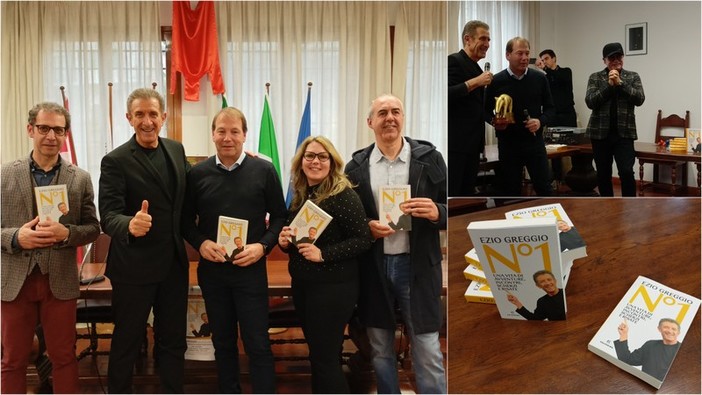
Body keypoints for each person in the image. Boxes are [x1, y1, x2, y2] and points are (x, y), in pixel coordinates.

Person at [345, 94, 447, 394]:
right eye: (382, 113)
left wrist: (437, 211)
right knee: (379, 348)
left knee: (427, 347)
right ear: (370, 122)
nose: (390, 118)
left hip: (416, 266)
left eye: (396, 112)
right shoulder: (355, 167)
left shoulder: (430, 159)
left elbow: (450, 204)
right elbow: (348, 220)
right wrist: (365, 228)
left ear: (403, 118)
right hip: (373, 269)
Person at [182, 106, 287, 393]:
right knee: (223, 343)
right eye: (221, 131)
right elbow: (184, 221)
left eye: (234, 132)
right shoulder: (197, 173)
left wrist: (262, 246)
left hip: (250, 272)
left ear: (245, 135)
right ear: (213, 134)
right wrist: (201, 243)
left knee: (257, 343)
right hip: (213, 273)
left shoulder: (263, 170)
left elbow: (280, 217)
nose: (227, 137)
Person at [1, 102, 100, 394]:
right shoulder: (4, 174)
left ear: (65, 134)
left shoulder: (79, 178)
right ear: (31, 129)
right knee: (12, 360)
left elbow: (93, 228)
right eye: (44, 128)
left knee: (64, 357)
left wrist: (66, 233)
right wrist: (16, 237)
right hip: (14, 281)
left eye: (59, 130)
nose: (51, 136)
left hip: (59, 282)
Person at [99, 88, 191, 393]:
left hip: (173, 266)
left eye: (153, 113)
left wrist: (243, 160)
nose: (147, 121)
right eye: (140, 114)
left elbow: (195, 186)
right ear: (129, 118)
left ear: (163, 117)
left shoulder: (176, 150)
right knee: (128, 340)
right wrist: (130, 224)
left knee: (173, 340)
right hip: (133, 269)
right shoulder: (115, 160)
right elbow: (108, 215)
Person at [278, 136, 372, 393]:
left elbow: (363, 240)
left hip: (333, 289)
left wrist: (324, 254)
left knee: (325, 358)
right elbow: (295, 239)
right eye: (310, 156)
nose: (315, 161)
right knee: (320, 356)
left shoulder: (343, 194)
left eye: (322, 156)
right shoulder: (300, 194)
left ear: (332, 162)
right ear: (301, 161)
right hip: (305, 286)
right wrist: (285, 241)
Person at [484, 37, 555, 196]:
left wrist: (540, 121)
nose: (524, 58)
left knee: (545, 188)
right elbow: (484, 110)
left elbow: (551, 109)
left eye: (527, 53)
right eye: (519, 53)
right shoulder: (496, 81)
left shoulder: (540, 78)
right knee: (511, 190)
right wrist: (494, 121)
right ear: (507, 55)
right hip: (508, 144)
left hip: (534, 142)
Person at [585, 42, 645, 197]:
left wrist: (620, 84)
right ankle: (607, 207)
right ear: (604, 60)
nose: (616, 60)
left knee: (626, 171)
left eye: (619, 56)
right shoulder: (595, 77)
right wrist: (609, 85)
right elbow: (590, 102)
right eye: (611, 58)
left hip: (624, 134)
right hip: (599, 134)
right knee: (603, 173)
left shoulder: (632, 76)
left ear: (623, 57)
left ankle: (629, 206)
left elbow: (639, 99)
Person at [448, 20, 493, 196]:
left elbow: (476, 107)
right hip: (456, 145)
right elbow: (446, 94)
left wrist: (493, 121)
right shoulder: (454, 61)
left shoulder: (476, 67)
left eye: (489, 40)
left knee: (467, 194)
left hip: (473, 145)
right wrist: (476, 82)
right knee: (455, 193)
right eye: (483, 39)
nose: (487, 45)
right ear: (468, 39)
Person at [614, 318, 681, 381]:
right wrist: (623, 335)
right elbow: (627, 360)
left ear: (678, 333)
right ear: (659, 329)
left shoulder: (682, 350)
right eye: (666, 327)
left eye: (674, 329)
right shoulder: (650, 345)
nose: (670, 331)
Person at [538, 49, 577, 127]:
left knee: (570, 138)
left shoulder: (566, 71)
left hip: (567, 114)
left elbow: (560, 78)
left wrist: (545, 69)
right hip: (552, 115)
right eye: (542, 60)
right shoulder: (544, 78)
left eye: (546, 58)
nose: (544, 62)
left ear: (554, 58)